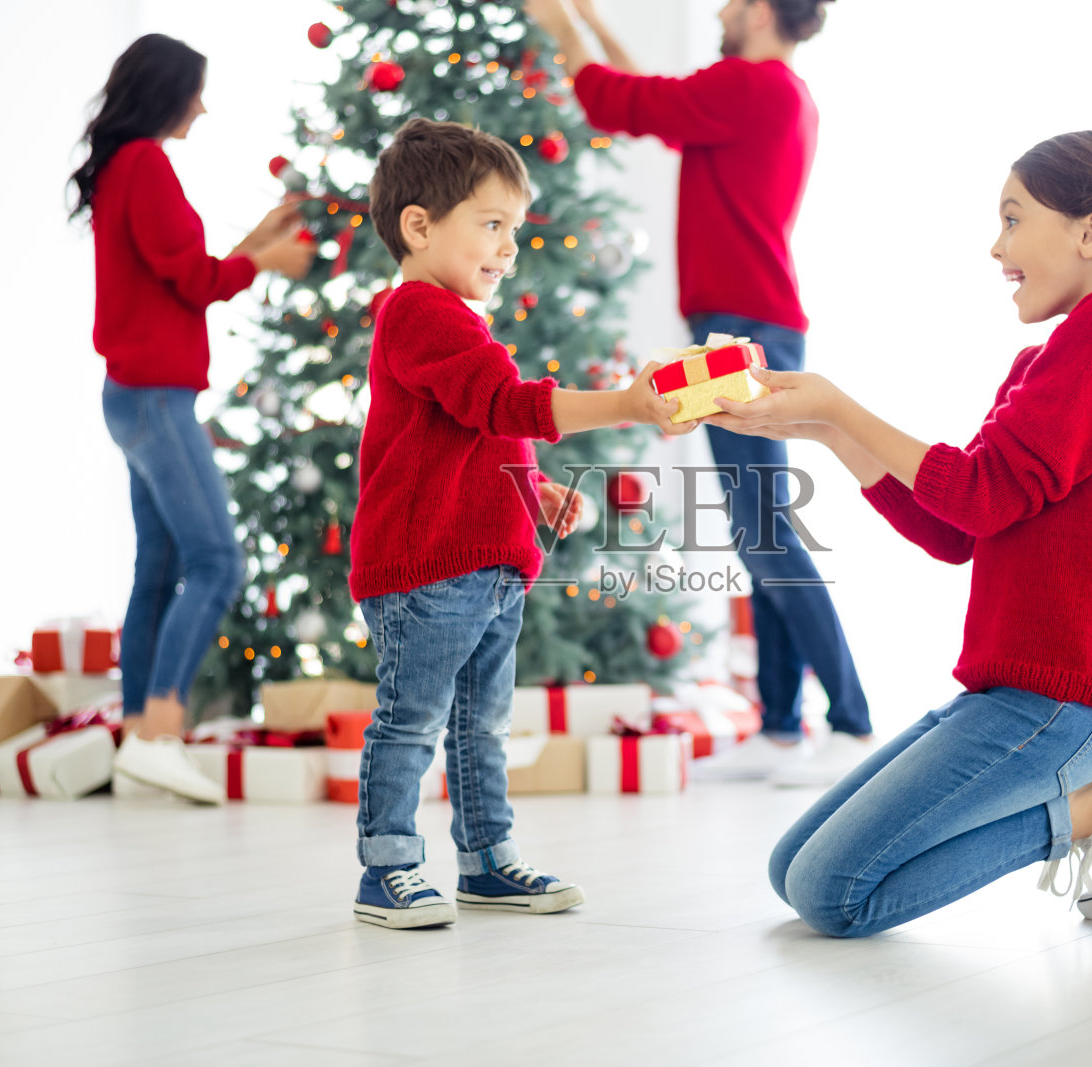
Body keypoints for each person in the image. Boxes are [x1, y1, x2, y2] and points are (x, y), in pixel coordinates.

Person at [704, 128, 1092, 935]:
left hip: (1063, 697)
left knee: (830, 893)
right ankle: (1087, 797)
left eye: (1015, 220)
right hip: (1014, 691)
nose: (996, 246)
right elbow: (960, 528)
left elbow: (977, 495)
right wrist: (822, 428)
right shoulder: (1045, 361)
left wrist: (841, 405)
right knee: (791, 871)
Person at [348, 117, 691, 929]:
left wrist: (531, 493)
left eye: (516, 230)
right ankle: (387, 864)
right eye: (492, 225)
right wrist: (627, 404)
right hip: (425, 569)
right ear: (420, 226)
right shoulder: (421, 314)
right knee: (413, 718)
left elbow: (478, 430)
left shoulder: (459, 322)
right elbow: (506, 402)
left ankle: (487, 860)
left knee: (481, 723)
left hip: (488, 568)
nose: (508, 249)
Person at [525, 0, 872, 786]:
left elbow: (625, 102)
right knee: (762, 528)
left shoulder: (754, 88)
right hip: (749, 324)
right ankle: (782, 727)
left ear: (759, 12)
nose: (719, 8)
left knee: (767, 533)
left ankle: (851, 723)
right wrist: (588, 19)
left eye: (732, 0)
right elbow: (656, 95)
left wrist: (561, 28)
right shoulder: (769, 92)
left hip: (742, 331)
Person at [68, 34, 314, 803]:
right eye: (197, 92)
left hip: (135, 396)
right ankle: (157, 735)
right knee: (216, 562)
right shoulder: (145, 163)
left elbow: (185, 275)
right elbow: (197, 280)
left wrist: (259, 241)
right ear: (169, 90)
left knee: (159, 572)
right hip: (155, 400)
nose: (203, 107)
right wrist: (271, 262)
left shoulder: (123, 167)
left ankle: (140, 738)